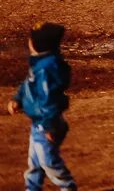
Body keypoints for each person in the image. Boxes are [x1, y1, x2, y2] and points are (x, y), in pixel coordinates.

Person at [6, 22, 76, 191]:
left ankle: (67, 187)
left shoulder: (46, 69)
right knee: (35, 162)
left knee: (49, 162)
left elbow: (48, 100)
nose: (28, 42)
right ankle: (32, 188)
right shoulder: (40, 64)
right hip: (39, 122)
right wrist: (18, 99)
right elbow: (28, 85)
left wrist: (49, 126)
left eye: (31, 39)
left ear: (38, 44)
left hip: (46, 124)